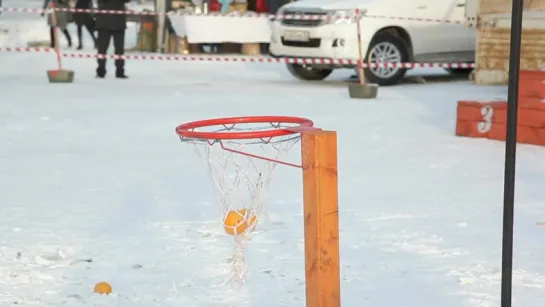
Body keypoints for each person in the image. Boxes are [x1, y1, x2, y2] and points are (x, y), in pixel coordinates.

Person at [95, 0, 131, 79]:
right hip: (109, 22)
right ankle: (103, 70)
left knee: (115, 49)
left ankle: (116, 70)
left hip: (112, 22)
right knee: (105, 48)